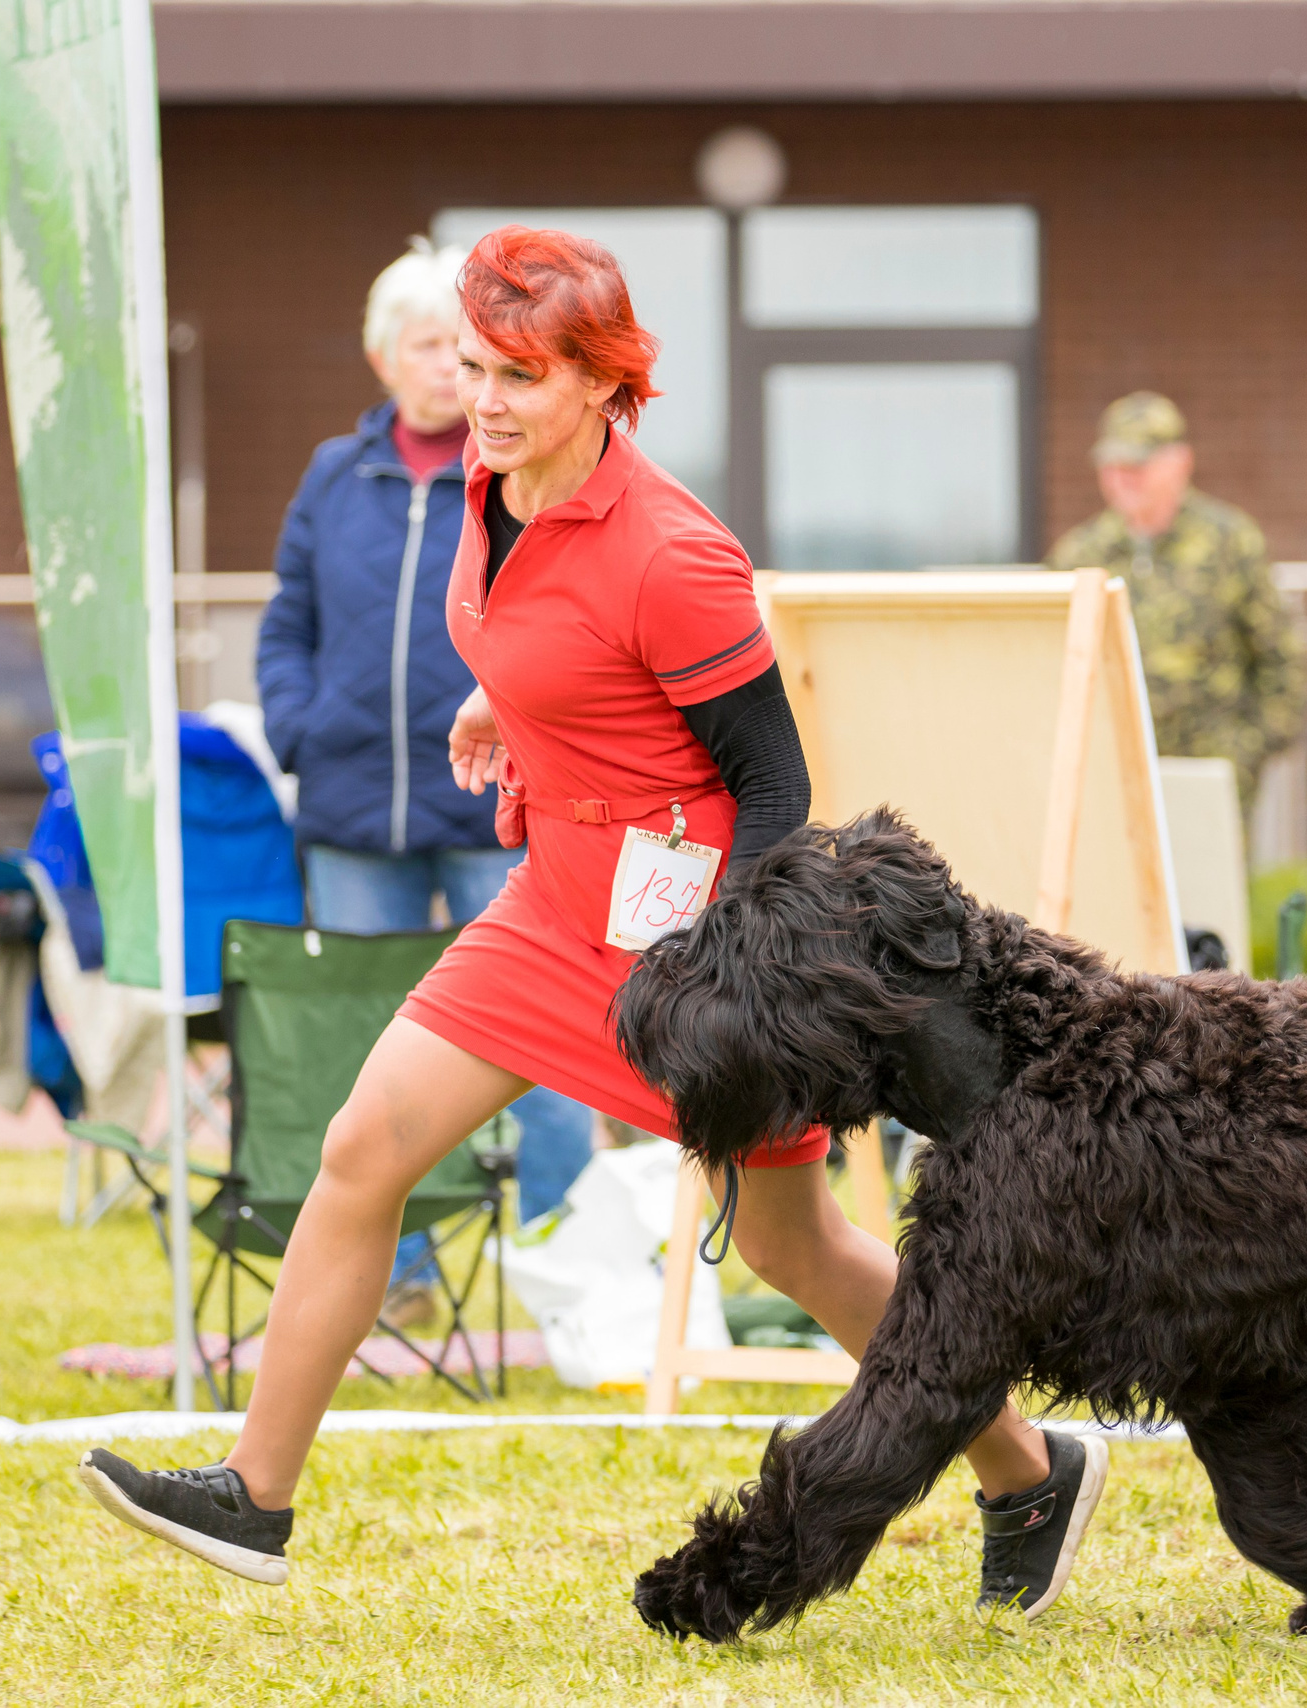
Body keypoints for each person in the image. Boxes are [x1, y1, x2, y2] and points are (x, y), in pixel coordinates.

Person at [80, 226, 1105, 1616]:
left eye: (519, 374)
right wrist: (504, 697)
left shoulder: (675, 553)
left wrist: (731, 985)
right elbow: (543, 630)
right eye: (473, 364)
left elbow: (773, 783)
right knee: (362, 1145)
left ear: (603, 385)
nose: (484, 398)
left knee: (789, 1250)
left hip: (687, 940)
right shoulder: (490, 492)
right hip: (551, 901)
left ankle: (1028, 1471)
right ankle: (254, 1499)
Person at [253, 240, 593, 1316]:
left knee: (543, 1033)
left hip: (487, 806)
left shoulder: (517, 472)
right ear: (379, 356)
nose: (448, 368)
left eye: (465, 348)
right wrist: (299, 728)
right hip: (352, 811)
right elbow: (287, 621)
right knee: (371, 1052)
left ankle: (562, 1263)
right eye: (425, 345)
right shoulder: (331, 474)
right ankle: (399, 1279)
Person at [1045, 392, 1307, 819]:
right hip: (1109, 778)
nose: (1120, 479)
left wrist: (1248, 755)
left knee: (1205, 885)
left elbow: (1282, 658)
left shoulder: (1229, 542)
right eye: (1110, 467)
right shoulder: (1079, 554)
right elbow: (1049, 661)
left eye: (1135, 465)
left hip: (1209, 773)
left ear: (1179, 462)